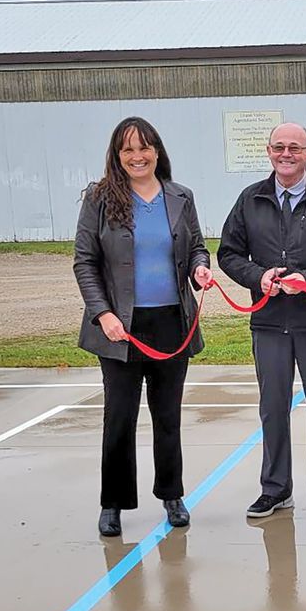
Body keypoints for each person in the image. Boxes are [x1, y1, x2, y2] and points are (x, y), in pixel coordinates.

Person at [217, 122, 306, 519]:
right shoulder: (250, 200)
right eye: (279, 147)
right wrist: (258, 277)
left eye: (295, 148)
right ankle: (275, 489)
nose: (287, 154)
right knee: (272, 408)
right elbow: (228, 253)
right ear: (269, 152)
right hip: (269, 323)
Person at [73, 116, 212, 538]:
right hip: (120, 328)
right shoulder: (99, 198)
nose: (138, 156)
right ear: (117, 155)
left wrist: (200, 268)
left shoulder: (180, 196)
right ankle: (113, 502)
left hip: (171, 322)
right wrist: (104, 314)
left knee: (168, 416)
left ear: (157, 151)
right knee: (120, 418)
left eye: (144, 147)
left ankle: (172, 494)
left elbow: (197, 246)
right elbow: (85, 262)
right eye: (128, 149)